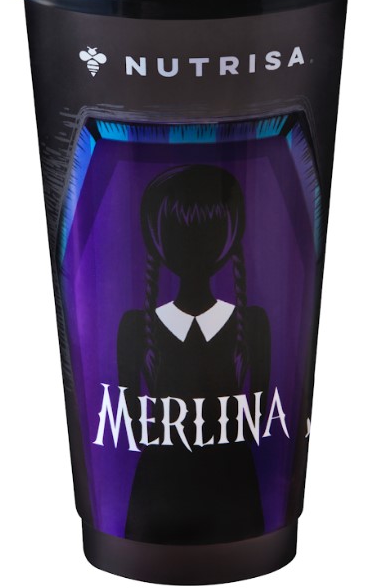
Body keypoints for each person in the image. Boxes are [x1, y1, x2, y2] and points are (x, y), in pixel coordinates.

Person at [117, 164, 271, 544]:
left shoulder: (253, 323)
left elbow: (259, 418)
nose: (195, 243)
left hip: (235, 492)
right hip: (156, 499)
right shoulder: (135, 327)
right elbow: (131, 422)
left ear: (229, 237)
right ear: (157, 239)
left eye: (209, 230)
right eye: (179, 231)